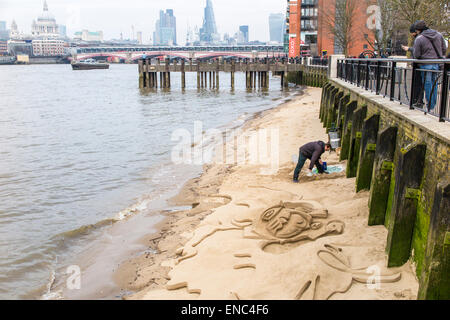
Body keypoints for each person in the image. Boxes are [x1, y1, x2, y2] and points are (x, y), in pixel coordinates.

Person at [412, 20, 447, 110]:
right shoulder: (439, 35)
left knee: (427, 84)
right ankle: (432, 105)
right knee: (434, 84)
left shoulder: (419, 38)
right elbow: (444, 49)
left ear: (418, 30)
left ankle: (430, 106)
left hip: (425, 64)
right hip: (437, 64)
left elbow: (417, 54)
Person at [402, 22, 424, 107]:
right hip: (421, 64)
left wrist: (409, 49)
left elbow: (417, 51)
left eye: (411, 32)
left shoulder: (419, 38)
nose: (411, 35)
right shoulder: (422, 37)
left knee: (419, 83)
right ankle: (418, 101)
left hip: (419, 64)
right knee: (422, 84)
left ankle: (417, 101)